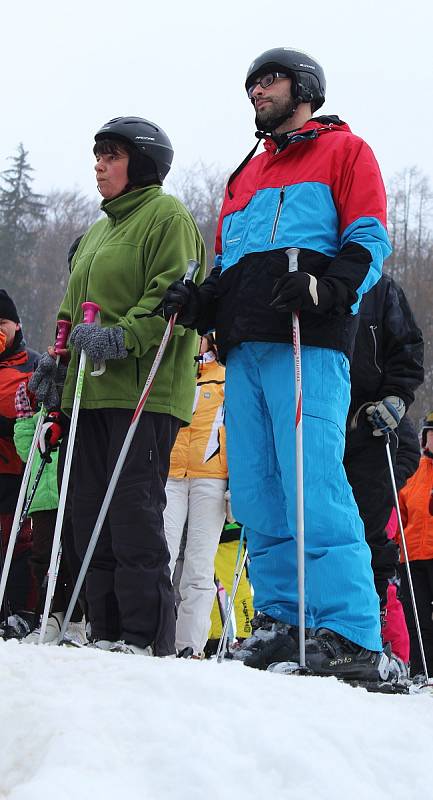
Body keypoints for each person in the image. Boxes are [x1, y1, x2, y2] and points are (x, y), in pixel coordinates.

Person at [163, 48, 392, 680]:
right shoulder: (244, 176)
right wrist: (201, 300)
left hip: (305, 343)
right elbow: (229, 264)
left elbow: (369, 237)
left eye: (270, 80)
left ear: (306, 88)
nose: (258, 91)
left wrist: (329, 288)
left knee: (311, 484)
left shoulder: (345, 151)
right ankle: (282, 618)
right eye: (252, 84)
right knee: (260, 495)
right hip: (245, 346)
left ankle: (350, 631)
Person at [29, 116, 206, 656]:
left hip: (143, 392)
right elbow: (70, 309)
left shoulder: (166, 218)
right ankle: (103, 630)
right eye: (97, 154)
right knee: (87, 516)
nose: (99, 164)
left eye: (113, 154)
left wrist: (120, 338)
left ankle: (142, 635)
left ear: (144, 164)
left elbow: (172, 295)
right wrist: (55, 366)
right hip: (90, 394)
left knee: (131, 512)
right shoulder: (99, 231)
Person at [344, 273, 424, 609]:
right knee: (317, 532)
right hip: (323, 427)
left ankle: (367, 631)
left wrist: (396, 397)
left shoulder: (382, 290)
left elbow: (407, 349)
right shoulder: (312, 278)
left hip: (374, 431)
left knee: (366, 536)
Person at [163, 333, 228, 657]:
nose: (196, 341)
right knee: (162, 556)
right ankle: (156, 636)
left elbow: (236, 430)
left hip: (211, 476)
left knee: (199, 565)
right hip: (171, 475)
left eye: (202, 336)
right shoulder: (174, 369)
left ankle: (190, 644)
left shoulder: (227, 375)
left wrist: (235, 484)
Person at [13, 382, 87, 645]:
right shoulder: (38, 417)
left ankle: (75, 619)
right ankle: (48, 616)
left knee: (69, 559)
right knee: (42, 559)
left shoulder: (67, 416)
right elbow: (26, 451)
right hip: (42, 500)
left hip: (65, 496)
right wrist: (24, 419)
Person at [0, 290, 39, 628]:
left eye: (1, 324)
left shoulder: (33, 363)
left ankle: (24, 613)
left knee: (19, 543)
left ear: (16, 325)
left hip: (19, 472)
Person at [397, 413, 433, 678]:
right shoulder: (415, 471)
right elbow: (400, 514)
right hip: (411, 558)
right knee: (416, 619)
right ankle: (421, 670)